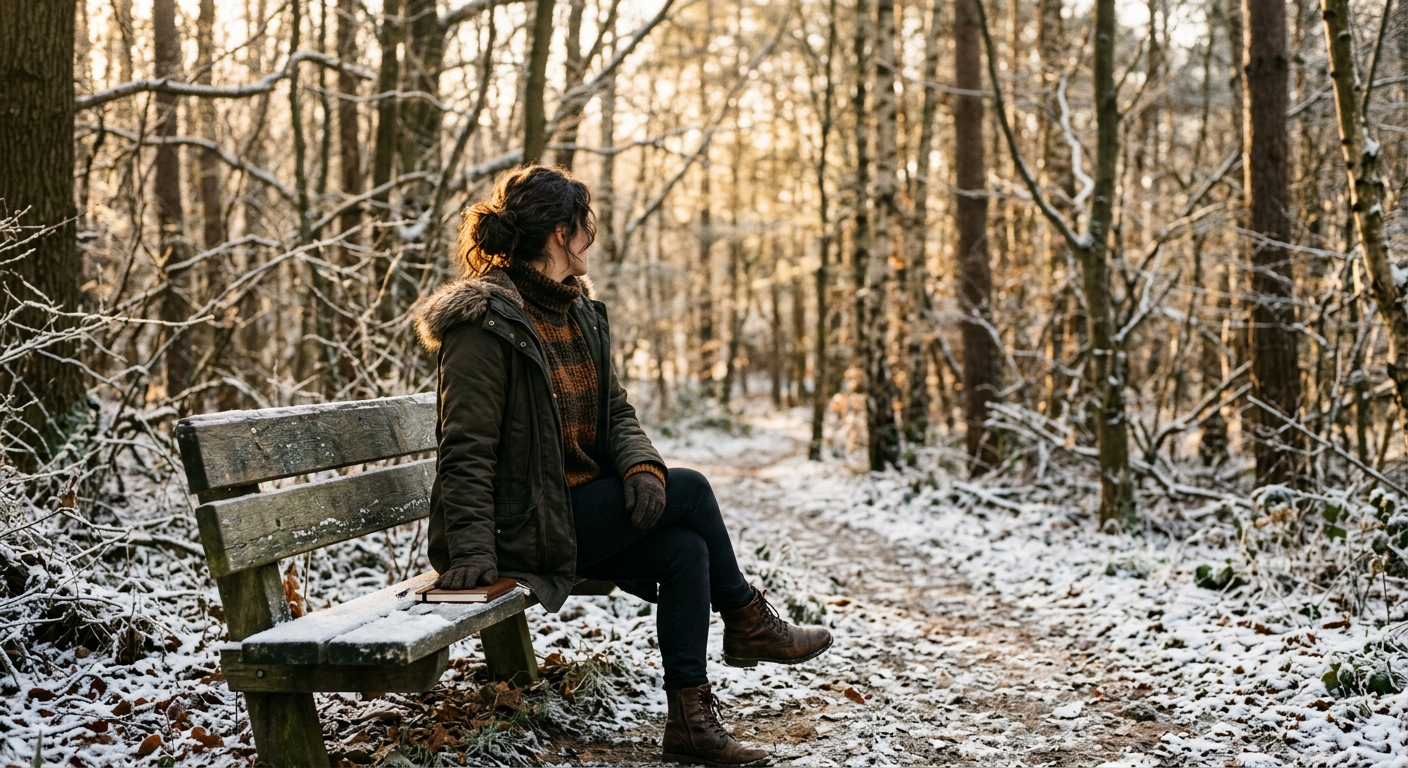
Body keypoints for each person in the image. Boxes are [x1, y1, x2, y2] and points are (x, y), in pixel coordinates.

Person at [411, 164, 833, 766]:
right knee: (692, 489)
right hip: (517, 527)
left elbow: (613, 411)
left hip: (574, 512)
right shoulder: (485, 323)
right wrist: (474, 552)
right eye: (587, 226)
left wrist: (639, 467)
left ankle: (690, 723)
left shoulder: (577, 312)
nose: (592, 238)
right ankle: (745, 615)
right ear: (562, 233)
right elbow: (466, 448)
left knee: (686, 550)